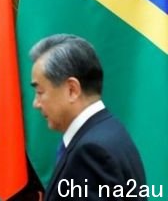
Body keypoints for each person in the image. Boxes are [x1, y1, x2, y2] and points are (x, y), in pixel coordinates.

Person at [29, 34, 146, 201]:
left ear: (72, 89)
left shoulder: (91, 153)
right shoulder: (111, 131)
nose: (36, 103)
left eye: (40, 92)